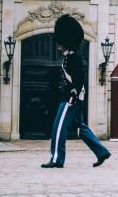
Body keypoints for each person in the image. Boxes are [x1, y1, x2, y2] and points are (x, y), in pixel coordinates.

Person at [42, 14, 111, 169]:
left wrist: (74, 93)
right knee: (81, 129)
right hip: (70, 97)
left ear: (66, 42)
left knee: (58, 127)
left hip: (71, 99)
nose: (58, 45)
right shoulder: (68, 57)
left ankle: (56, 158)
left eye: (60, 43)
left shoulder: (74, 58)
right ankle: (101, 152)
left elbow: (80, 78)